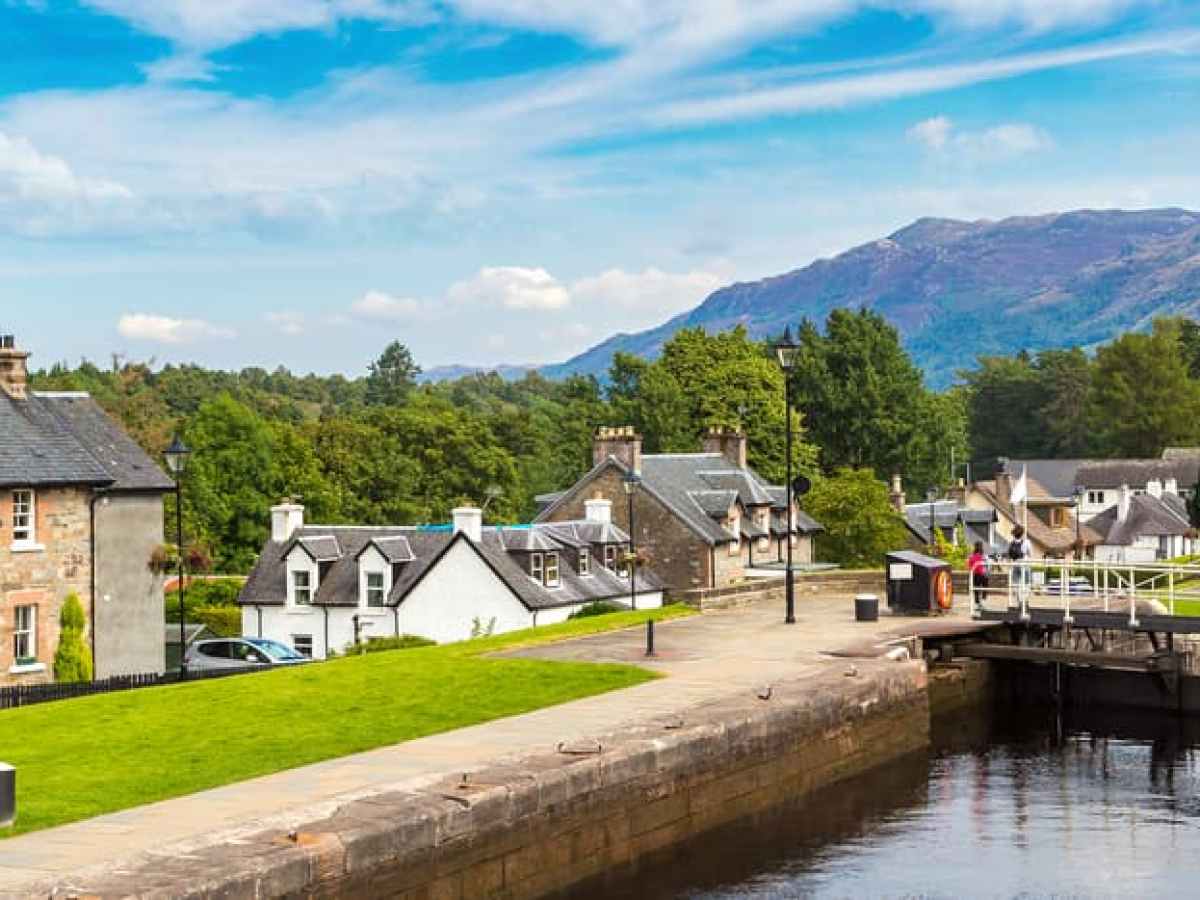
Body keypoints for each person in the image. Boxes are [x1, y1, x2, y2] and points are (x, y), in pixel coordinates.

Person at [1007, 525, 1032, 598]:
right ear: (1022, 533)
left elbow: (1009, 554)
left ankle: (1018, 599)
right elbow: (1030, 554)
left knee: (1016, 582)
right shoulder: (1027, 542)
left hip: (1015, 564)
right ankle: (1024, 599)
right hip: (1024, 563)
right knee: (1026, 582)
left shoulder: (1011, 543)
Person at [967, 541, 989, 609]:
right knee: (984, 588)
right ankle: (983, 601)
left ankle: (977, 603)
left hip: (976, 574)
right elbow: (987, 565)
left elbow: (969, 565)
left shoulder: (972, 556)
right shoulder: (984, 556)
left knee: (976, 589)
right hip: (984, 574)